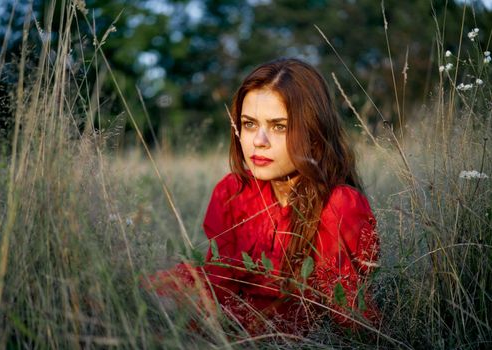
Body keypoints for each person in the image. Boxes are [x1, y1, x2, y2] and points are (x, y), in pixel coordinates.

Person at [144, 58, 380, 336]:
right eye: (249, 124)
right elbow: (219, 280)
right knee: (137, 297)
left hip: (281, 335)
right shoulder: (232, 190)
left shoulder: (338, 205)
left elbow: (352, 314)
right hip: (225, 320)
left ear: (314, 134)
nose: (259, 140)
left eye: (279, 126)